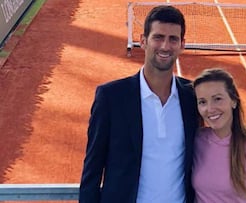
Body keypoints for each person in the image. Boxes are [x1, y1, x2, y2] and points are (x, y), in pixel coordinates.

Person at [79, 5, 198, 203]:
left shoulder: (193, 96)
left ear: (182, 44)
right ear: (143, 41)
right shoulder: (110, 97)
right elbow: (92, 169)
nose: (165, 46)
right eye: (158, 37)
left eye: (173, 39)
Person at [192, 68, 246, 203]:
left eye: (217, 99)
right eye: (202, 102)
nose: (210, 108)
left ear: (234, 101)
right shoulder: (196, 140)